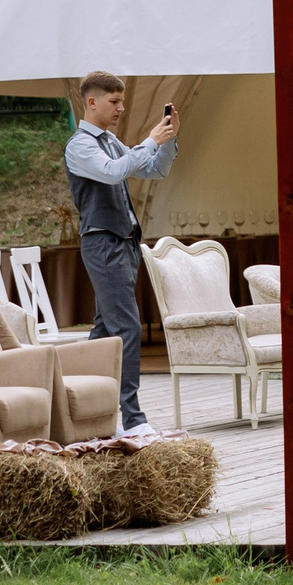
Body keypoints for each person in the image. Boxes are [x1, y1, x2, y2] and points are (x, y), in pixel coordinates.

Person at [64, 71, 179, 439]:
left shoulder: (111, 141)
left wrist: (168, 141)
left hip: (125, 244)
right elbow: (114, 174)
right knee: (126, 327)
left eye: (122, 100)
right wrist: (149, 140)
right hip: (104, 243)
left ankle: (77, 408)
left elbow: (154, 169)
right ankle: (133, 419)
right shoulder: (80, 146)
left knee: (103, 331)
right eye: (114, 101)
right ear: (92, 102)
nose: (121, 108)